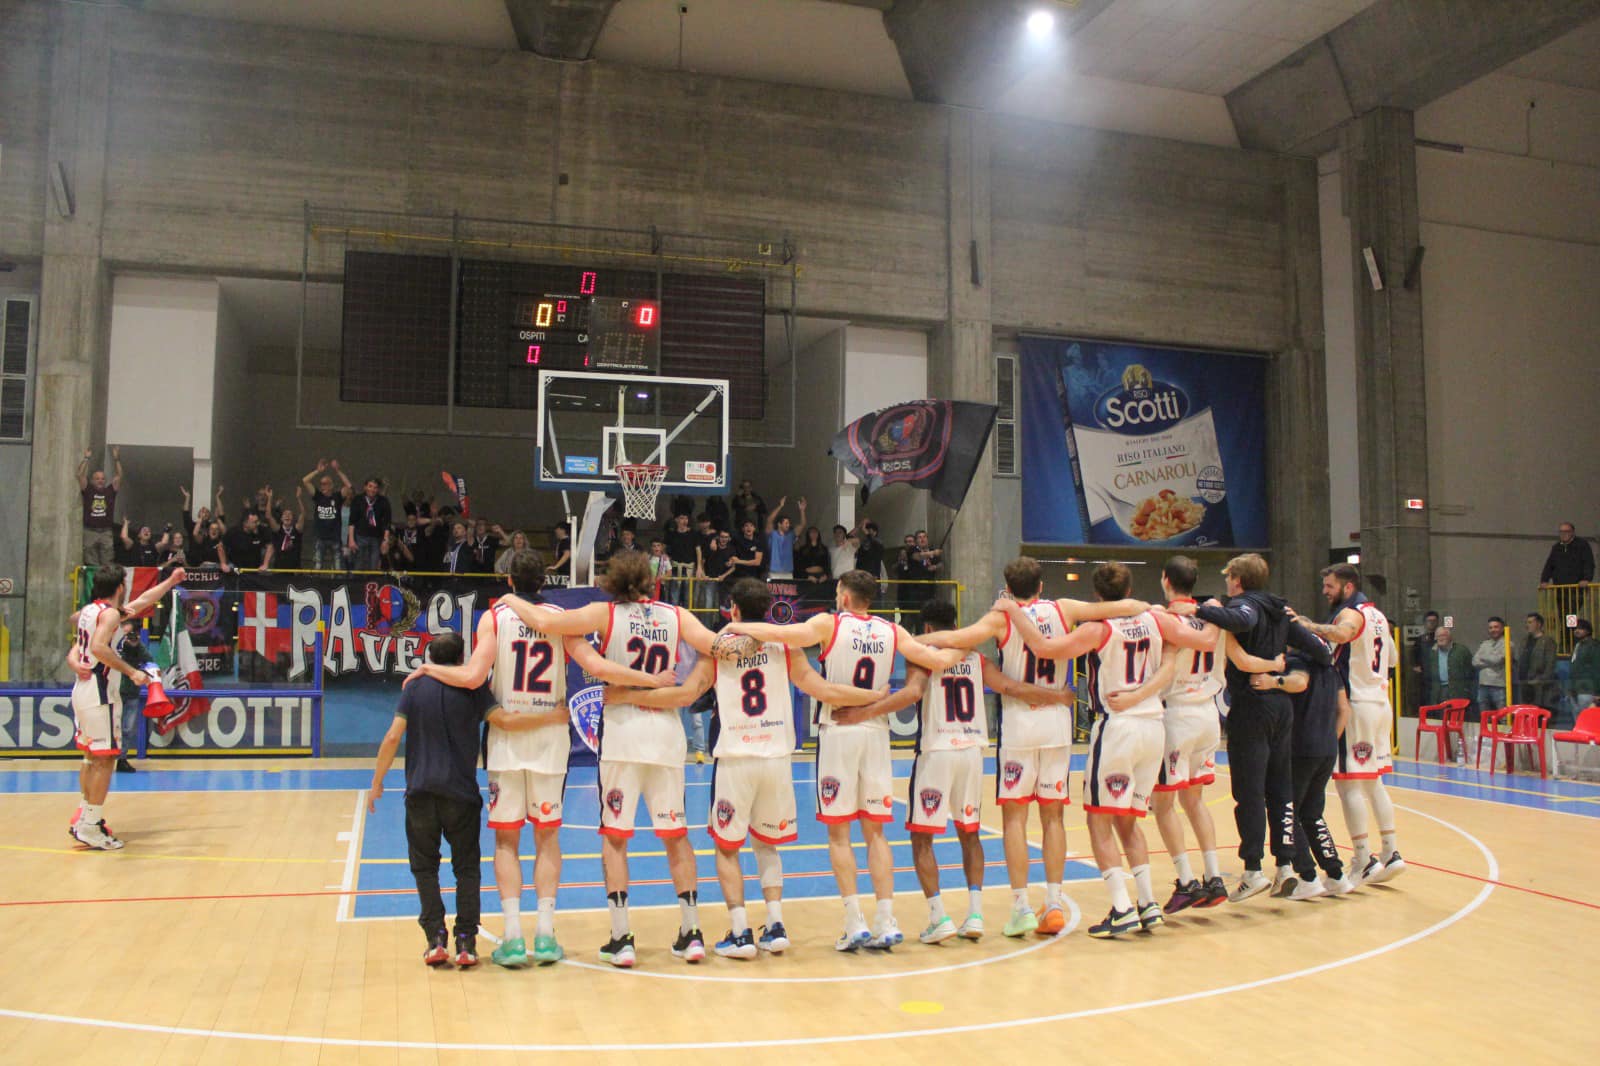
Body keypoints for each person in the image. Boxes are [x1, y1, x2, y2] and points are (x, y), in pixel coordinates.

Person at [406, 549, 668, 968]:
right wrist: (649, 680)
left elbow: (473, 676)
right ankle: (544, 935)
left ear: (509, 581)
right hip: (550, 739)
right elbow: (597, 665)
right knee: (547, 837)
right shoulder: (560, 620)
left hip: (508, 741)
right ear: (544, 581)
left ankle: (512, 937)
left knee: (506, 840)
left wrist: (429, 668)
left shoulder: (495, 616)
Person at [604, 578, 883, 958]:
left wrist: (627, 693)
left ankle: (739, 931)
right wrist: (873, 697)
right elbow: (824, 691)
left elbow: (686, 695)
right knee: (767, 842)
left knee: (727, 847)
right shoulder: (785, 646)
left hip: (736, 757)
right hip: (777, 758)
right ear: (768, 608)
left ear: (732, 609)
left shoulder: (719, 649)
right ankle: (776, 924)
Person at [498, 551, 724, 968]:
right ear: (652, 584)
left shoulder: (605, 613)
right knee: (676, 835)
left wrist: (510, 598)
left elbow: (546, 623)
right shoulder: (677, 616)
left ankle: (622, 938)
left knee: (616, 837)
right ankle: (692, 933)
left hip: (623, 734)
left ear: (615, 582)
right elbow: (716, 647)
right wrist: (689, 688)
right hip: (666, 733)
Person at [726, 569, 964, 951]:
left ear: (845, 598)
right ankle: (886, 920)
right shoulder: (893, 631)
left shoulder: (828, 623)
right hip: (876, 732)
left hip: (837, 726)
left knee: (839, 833)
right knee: (876, 832)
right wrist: (965, 645)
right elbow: (935, 660)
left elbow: (787, 635)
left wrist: (739, 630)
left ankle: (854, 921)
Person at [916, 555, 1145, 937]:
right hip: (1057, 723)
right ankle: (1053, 902)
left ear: (1008, 586)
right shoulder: (1064, 608)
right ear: (1041, 585)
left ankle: (1021, 906)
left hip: (1020, 721)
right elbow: (1114, 607)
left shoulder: (1001, 617)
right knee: (1053, 816)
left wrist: (912, 639)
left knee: (1015, 819)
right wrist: (1145, 606)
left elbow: (956, 639)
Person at [996, 563, 1218, 939]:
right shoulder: (1156, 619)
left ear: (1097, 596)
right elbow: (1202, 643)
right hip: (1154, 727)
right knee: (1130, 820)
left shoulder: (1098, 628)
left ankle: (1120, 907)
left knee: (1099, 820)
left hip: (1117, 727)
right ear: (1130, 587)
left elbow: (1043, 647)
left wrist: (1012, 610)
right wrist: (1212, 611)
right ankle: (1147, 903)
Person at [841, 599, 1058, 944]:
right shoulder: (975, 657)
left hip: (937, 752)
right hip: (972, 752)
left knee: (921, 837)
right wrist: (1056, 696)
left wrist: (866, 712)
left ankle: (938, 915)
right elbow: (1011, 687)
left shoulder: (922, 655)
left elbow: (912, 693)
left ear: (927, 629)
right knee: (969, 833)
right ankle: (974, 913)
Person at [1169, 553, 1314, 900]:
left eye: (1228, 577)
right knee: (1281, 791)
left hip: (1252, 707)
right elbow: (1316, 649)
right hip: (1282, 707)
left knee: (1249, 792)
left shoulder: (1241, 609)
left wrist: (1200, 609)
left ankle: (1252, 869)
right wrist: (1282, 669)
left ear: (1237, 579)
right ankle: (1286, 866)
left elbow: (1242, 633)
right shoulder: (1281, 610)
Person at [1150, 556, 1282, 914]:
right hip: (1208, 715)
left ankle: (1186, 881)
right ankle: (1213, 877)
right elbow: (1242, 661)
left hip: (1175, 716)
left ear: (1165, 581)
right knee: (1195, 801)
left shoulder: (1164, 620)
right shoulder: (1216, 620)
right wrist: (1276, 664)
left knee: (1162, 804)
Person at [368, 633, 495, 969]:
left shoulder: (414, 688)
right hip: (462, 794)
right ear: (461, 658)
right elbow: (501, 720)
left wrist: (377, 782)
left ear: (429, 656)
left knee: (425, 869)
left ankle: (435, 938)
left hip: (421, 792)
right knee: (466, 869)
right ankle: (466, 941)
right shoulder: (473, 686)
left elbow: (394, 735)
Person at [1290, 564, 1405, 885]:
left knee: (1348, 783)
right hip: (1381, 703)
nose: (1324, 590)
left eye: (1329, 585)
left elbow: (1343, 633)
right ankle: (1390, 851)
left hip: (1357, 704)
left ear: (1348, 587)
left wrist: (1308, 625)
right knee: (1373, 782)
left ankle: (1364, 857)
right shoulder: (1379, 616)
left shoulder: (1352, 613)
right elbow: (1393, 659)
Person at [63, 564, 187, 848]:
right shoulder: (108, 615)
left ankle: (84, 815)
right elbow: (97, 647)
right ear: (119, 587)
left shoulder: (90, 611)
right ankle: (91, 825)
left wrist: (170, 581)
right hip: (100, 690)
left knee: (90, 756)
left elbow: (81, 634)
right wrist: (131, 671)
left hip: (82, 690)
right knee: (106, 758)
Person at [1254, 635, 1356, 899]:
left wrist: (1273, 681)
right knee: (1312, 813)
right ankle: (1336, 874)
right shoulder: (1330, 670)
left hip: (1301, 748)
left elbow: (1299, 683)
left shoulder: (1298, 662)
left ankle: (1308, 876)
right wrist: (1329, 739)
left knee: (1289, 810)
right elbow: (1344, 709)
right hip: (1326, 748)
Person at [77, 445, 122, 568]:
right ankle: (93, 585)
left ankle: (106, 585)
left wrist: (117, 459)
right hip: (90, 531)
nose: (100, 480)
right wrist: (86, 459)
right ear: (92, 480)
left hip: (106, 531)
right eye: (97, 478)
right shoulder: (88, 489)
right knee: (91, 561)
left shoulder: (110, 491)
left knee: (107, 562)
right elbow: (80, 475)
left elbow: (119, 476)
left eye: (102, 478)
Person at [300, 462, 349, 571]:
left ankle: (338, 586)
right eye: (322, 484)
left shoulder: (337, 497)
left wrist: (338, 471)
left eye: (326, 483)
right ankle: (317, 586)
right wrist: (318, 471)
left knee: (338, 568)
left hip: (335, 538)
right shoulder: (318, 496)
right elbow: (305, 480)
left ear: (331, 485)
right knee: (318, 566)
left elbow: (348, 486)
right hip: (320, 537)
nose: (323, 486)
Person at [1517, 613, 1558, 712]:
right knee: (1526, 712)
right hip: (1524, 682)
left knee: (1538, 712)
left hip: (1540, 684)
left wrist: (1542, 680)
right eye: (1527, 622)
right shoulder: (1525, 641)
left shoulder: (1547, 641)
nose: (1527, 625)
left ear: (1539, 624)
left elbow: (1550, 664)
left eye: (1530, 622)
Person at [1424, 626, 1474, 707]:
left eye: (1443, 635)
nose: (1440, 638)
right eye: (1438, 636)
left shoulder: (1462, 650)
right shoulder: (1432, 653)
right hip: (1439, 691)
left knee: (1457, 716)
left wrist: (1467, 689)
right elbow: (1427, 672)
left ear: (1450, 637)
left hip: (1458, 690)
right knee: (1441, 717)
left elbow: (1470, 671)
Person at [349, 477, 391, 571]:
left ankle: (371, 584)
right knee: (358, 565)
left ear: (378, 489)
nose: (372, 489)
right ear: (365, 487)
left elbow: (387, 522)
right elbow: (352, 521)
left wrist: (386, 540)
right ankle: (357, 584)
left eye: (375, 487)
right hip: (360, 537)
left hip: (376, 538)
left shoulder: (383, 501)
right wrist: (351, 539)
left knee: (374, 565)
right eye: (370, 486)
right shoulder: (358, 499)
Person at [1471, 617, 1508, 716]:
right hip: (1483, 685)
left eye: (1496, 627)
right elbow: (1474, 661)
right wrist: (1491, 660)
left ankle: (1505, 732)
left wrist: (1483, 657)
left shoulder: (1508, 643)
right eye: (1490, 627)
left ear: (1502, 628)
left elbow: (1498, 660)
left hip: (1499, 686)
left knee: (1503, 716)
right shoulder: (1485, 644)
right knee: (1484, 716)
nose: (1493, 630)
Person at [1540, 522, 1594, 587]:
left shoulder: (1582, 545)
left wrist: (1586, 579)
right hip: (1559, 587)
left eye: (1567, 531)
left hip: (1577, 587)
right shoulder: (1556, 547)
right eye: (1561, 532)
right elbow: (1549, 565)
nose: (1563, 534)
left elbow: (1588, 563)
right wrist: (1544, 580)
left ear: (1573, 532)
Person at [663, 513, 700, 607]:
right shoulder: (671, 534)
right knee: (674, 597)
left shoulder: (693, 534)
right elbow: (665, 549)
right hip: (675, 568)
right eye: (682, 518)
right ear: (676, 520)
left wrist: (699, 567)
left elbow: (698, 550)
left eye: (686, 518)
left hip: (689, 569)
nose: (684, 521)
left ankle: (686, 620)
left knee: (688, 598)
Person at [265, 494, 306, 571]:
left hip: (295, 569)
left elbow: (303, 514)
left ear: (293, 518)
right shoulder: (278, 529)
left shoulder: (297, 529)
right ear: (281, 518)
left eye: (290, 514)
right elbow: (268, 516)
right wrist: (269, 498)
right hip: (279, 568)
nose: (287, 516)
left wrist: (299, 498)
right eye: (285, 514)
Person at [1409, 610, 1440, 712]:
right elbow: (1413, 656)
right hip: (1424, 679)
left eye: (1434, 621)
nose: (1431, 623)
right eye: (1429, 621)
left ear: (1437, 622)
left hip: (1438, 677)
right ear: (1425, 623)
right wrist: (1416, 666)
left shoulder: (1442, 638)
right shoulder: (1421, 639)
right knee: (1425, 702)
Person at [763, 496, 800, 580]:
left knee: (788, 593)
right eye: (786, 523)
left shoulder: (790, 535)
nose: (788, 525)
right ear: (779, 524)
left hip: (788, 572)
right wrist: (780, 506)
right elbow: (769, 520)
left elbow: (802, 525)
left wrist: (802, 511)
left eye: (789, 523)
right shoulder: (773, 534)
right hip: (774, 572)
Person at [1570, 620, 1600, 714]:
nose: (1576, 630)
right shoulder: (1578, 645)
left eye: (1580, 628)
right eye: (1575, 628)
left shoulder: (1594, 646)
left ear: (1588, 631)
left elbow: (1597, 669)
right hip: (1576, 688)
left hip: (1588, 690)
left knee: (1586, 719)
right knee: (1578, 720)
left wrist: (1597, 692)